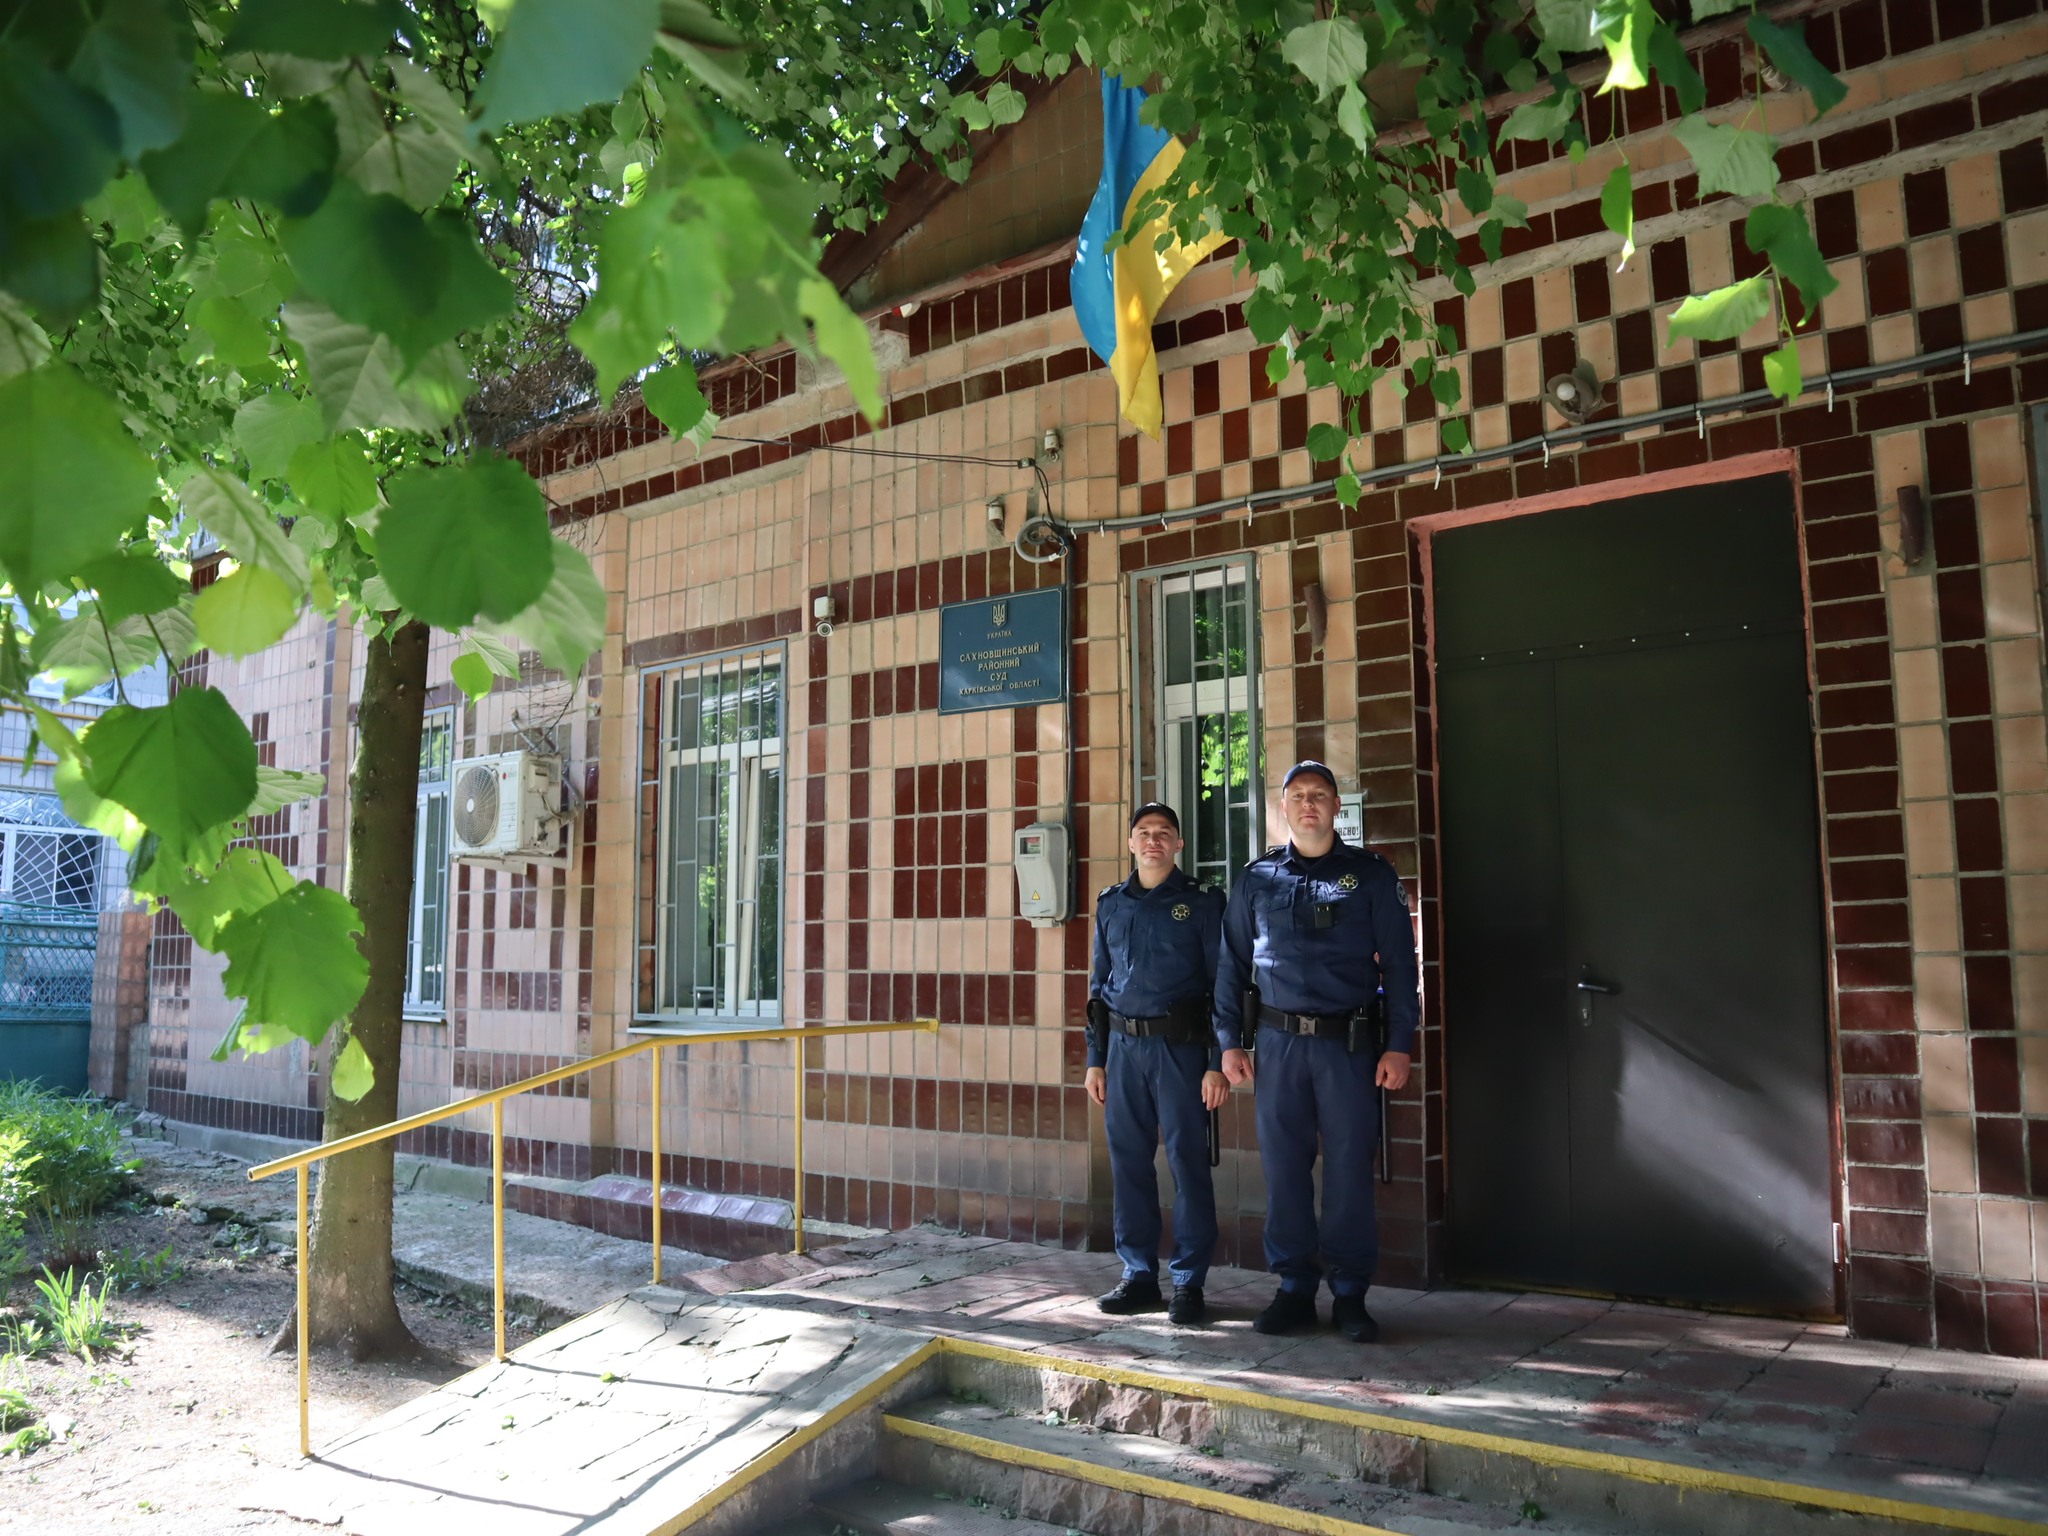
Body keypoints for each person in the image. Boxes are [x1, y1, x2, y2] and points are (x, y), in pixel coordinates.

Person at [1213, 761, 1418, 1342]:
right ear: (1283, 807)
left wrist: (1399, 1045)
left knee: (1350, 1168)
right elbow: (1231, 965)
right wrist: (1229, 1041)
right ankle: (1295, 1288)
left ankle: (1350, 1293)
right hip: (1278, 1046)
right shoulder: (1256, 879)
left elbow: (1401, 966)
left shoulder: (1370, 875)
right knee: (1284, 1168)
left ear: (1335, 807)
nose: (1309, 804)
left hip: (1349, 1047)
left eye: (1319, 795)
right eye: (1298, 795)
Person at [1085, 801, 1229, 1325]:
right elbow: (1098, 986)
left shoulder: (1203, 902)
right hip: (1123, 1051)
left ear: (1178, 844)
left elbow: (1221, 984)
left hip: (1181, 1051)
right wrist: (1095, 1058)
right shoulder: (1111, 903)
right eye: (1143, 832)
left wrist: (1217, 1060)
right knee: (1128, 1164)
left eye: (1164, 832)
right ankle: (1139, 1274)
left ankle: (1189, 1281)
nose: (1153, 840)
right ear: (1130, 843)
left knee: (1188, 1162)